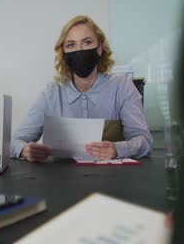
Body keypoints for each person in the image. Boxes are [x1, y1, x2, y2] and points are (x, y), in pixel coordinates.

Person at [11, 15, 153, 162]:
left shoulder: (122, 86)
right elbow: (15, 141)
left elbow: (144, 142)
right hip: (62, 180)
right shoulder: (51, 93)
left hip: (112, 180)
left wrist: (118, 149)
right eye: (71, 45)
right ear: (64, 53)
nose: (79, 50)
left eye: (86, 42)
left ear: (99, 49)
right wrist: (24, 150)